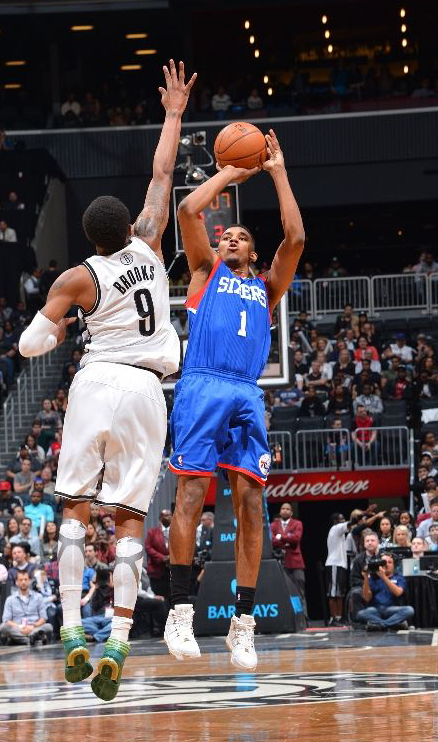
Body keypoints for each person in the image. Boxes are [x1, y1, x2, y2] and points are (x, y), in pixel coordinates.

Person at [18, 60, 195, 701]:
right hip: (149, 391)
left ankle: (72, 631)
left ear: (89, 237)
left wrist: (61, 329)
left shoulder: (77, 278)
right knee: (127, 523)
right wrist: (172, 113)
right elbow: (162, 174)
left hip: (97, 383)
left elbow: (29, 344)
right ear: (129, 228)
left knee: (73, 509)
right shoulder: (150, 244)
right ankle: (118, 643)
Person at [166, 129, 304, 672]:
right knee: (189, 495)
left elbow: (295, 237)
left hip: (246, 392)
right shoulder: (205, 272)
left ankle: (242, 624)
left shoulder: (268, 287)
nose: (230, 239)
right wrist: (228, 171)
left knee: (250, 504)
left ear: (252, 251)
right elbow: (188, 210)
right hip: (202, 384)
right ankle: (180, 612)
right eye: (226, 235)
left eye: (241, 237)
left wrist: (277, 171)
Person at [355, 552, 415, 632]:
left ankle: (380, 625)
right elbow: (367, 598)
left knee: (409, 610)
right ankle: (393, 624)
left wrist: (383, 577)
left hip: (392, 609)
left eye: (390, 562)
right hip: (376, 609)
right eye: (384, 562)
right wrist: (366, 577)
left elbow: (398, 592)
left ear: (394, 565)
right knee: (360, 614)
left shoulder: (398, 577)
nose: (386, 564)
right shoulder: (373, 578)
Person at [270, 503, 306, 618]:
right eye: (283, 509)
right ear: (280, 511)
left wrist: (280, 537)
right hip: (280, 562)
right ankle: (287, 617)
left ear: (291, 512)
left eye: (287, 509)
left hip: (295, 562)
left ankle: (303, 617)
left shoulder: (297, 523)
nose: (285, 511)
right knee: (283, 592)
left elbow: (296, 538)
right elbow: (272, 541)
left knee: (299, 591)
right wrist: (286, 538)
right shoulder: (274, 525)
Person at [0, 569, 53, 645]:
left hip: (34, 627)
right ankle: (32, 639)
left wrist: (32, 626)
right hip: (18, 628)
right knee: (3, 627)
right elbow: (6, 620)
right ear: (16, 582)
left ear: (29, 581)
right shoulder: (10, 599)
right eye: (21, 580)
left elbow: (43, 618)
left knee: (49, 627)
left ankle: (24, 639)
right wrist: (20, 627)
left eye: (25, 579)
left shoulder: (38, 597)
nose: (23, 582)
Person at [144, 509, 171, 598]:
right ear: (160, 518)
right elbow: (148, 547)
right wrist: (162, 557)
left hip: (172, 571)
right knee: (158, 596)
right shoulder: (152, 532)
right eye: (166, 515)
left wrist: (172, 557)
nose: (169, 517)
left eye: (170, 515)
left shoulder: (175, 532)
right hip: (156, 570)